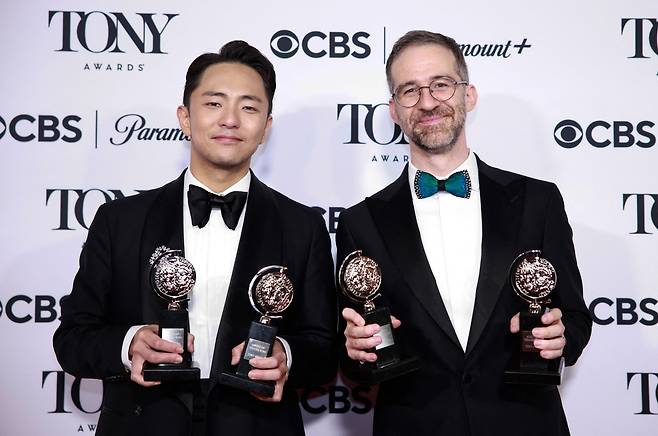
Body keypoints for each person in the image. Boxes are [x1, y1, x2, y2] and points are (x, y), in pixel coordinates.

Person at [53, 40, 337, 436]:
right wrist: (128, 342)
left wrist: (286, 354)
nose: (230, 120)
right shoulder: (120, 221)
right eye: (214, 103)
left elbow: (324, 349)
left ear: (266, 127)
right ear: (185, 118)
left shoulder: (302, 227)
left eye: (249, 107)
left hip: (258, 426)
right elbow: (73, 338)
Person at [337, 30, 592, 436]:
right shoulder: (359, 223)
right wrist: (356, 352)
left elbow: (575, 317)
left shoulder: (537, 201)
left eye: (441, 84)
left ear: (468, 96)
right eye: (409, 91)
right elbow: (355, 355)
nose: (427, 102)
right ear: (393, 111)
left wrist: (561, 337)